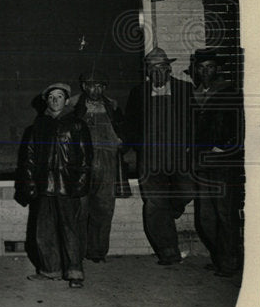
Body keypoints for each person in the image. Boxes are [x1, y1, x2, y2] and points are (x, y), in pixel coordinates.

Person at [124, 47, 195, 266]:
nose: (157, 73)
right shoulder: (139, 93)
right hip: (151, 159)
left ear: (169, 68)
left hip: (179, 156)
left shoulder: (185, 90)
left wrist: (189, 148)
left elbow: (195, 122)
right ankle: (168, 253)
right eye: (152, 69)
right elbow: (131, 125)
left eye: (161, 68)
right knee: (154, 205)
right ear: (147, 71)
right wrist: (141, 149)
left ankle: (173, 209)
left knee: (188, 190)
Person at [19, 83, 94, 288]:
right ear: (46, 101)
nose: (55, 100)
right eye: (51, 97)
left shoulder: (77, 125)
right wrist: (31, 184)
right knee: (44, 231)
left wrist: (80, 186)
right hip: (45, 188)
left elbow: (86, 159)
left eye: (59, 96)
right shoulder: (38, 126)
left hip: (67, 188)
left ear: (67, 100)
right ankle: (49, 270)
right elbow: (30, 158)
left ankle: (75, 272)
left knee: (70, 230)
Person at [188, 49, 243, 277]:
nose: (205, 71)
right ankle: (221, 256)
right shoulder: (196, 94)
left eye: (210, 67)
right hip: (202, 162)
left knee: (225, 214)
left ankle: (229, 263)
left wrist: (224, 147)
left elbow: (241, 128)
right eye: (201, 68)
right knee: (205, 217)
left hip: (223, 163)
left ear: (217, 69)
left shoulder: (230, 94)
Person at [70, 70, 126, 263]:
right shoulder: (73, 104)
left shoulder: (112, 105)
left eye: (100, 85)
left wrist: (121, 141)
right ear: (84, 85)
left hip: (107, 161)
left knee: (104, 207)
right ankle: (76, 251)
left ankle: (97, 252)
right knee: (79, 207)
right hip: (81, 162)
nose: (96, 89)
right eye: (91, 85)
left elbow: (123, 131)